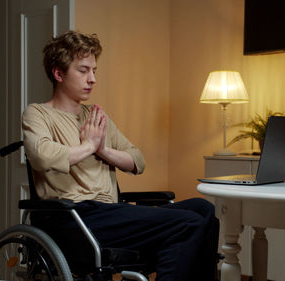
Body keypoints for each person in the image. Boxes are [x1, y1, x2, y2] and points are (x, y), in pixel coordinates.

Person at [22, 30, 219, 281]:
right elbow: (42, 156)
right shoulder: (37, 114)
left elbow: (137, 160)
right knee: (187, 224)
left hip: (111, 212)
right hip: (76, 217)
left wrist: (103, 149)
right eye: (83, 71)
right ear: (58, 74)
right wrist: (89, 146)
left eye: (94, 71)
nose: (92, 79)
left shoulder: (94, 115)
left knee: (202, 210)